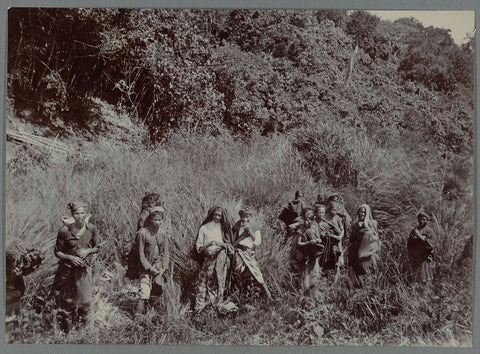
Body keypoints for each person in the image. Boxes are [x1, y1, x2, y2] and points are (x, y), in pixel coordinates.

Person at [51, 202, 100, 332]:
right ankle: (67, 332)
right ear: (72, 215)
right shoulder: (64, 231)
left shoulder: (91, 229)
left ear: (86, 214)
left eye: (82, 213)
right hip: (66, 270)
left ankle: (82, 331)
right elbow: (57, 252)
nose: (80, 216)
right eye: (77, 213)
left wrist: (87, 251)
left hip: (83, 270)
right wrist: (70, 258)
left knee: (84, 301)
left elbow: (97, 247)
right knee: (67, 301)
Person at [193, 205, 235, 314]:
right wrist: (207, 247)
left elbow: (229, 245)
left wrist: (220, 245)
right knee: (203, 283)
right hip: (208, 259)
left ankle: (216, 308)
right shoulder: (204, 228)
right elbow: (198, 246)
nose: (217, 217)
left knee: (220, 283)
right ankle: (200, 309)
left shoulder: (224, 228)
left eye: (220, 215)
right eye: (215, 214)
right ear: (211, 214)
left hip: (221, 260)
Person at [135, 206, 170, 317]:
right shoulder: (143, 233)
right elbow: (140, 254)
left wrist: (163, 268)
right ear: (150, 219)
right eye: (155, 220)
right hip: (145, 267)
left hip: (158, 266)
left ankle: (150, 313)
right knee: (144, 291)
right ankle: (138, 316)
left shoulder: (163, 234)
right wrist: (149, 268)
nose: (157, 222)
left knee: (157, 290)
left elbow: (165, 252)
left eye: (160, 220)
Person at [231, 208, 272, 299]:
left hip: (248, 252)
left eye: (247, 216)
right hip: (238, 252)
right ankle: (242, 294)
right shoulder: (237, 226)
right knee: (238, 273)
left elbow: (257, 241)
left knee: (256, 272)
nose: (245, 218)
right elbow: (233, 239)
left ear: (251, 217)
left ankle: (268, 294)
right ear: (240, 216)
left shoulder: (254, 227)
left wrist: (249, 230)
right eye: (243, 216)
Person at [347, 204, 381, 287]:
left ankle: (369, 289)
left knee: (367, 271)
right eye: (360, 212)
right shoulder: (355, 224)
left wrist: (365, 226)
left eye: (364, 212)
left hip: (368, 253)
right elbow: (351, 238)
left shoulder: (372, 223)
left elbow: (375, 237)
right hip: (355, 251)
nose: (361, 214)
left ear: (367, 213)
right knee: (356, 273)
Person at [321, 195, 346, 282]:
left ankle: (335, 279)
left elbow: (342, 229)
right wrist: (331, 236)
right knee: (326, 259)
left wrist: (340, 236)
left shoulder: (338, 218)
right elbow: (322, 231)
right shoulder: (324, 219)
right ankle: (324, 277)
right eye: (332, 209)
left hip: (337, 243)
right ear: (329, 209)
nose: (334, 212)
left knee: (337, 260)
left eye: (335, 210)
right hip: (327, 243)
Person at [407, 211, 435, 284]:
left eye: (424, 219)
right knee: (417, 275)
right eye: (420, 219)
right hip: (416, 256)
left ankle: (426, 291)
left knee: (426, 275)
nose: (421, 221)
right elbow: (409, 243)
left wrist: (419, 236)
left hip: (425, 257)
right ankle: (417, 291)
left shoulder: (429, 231)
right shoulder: (414, 230)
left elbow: (430, 244)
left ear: (427, 221)